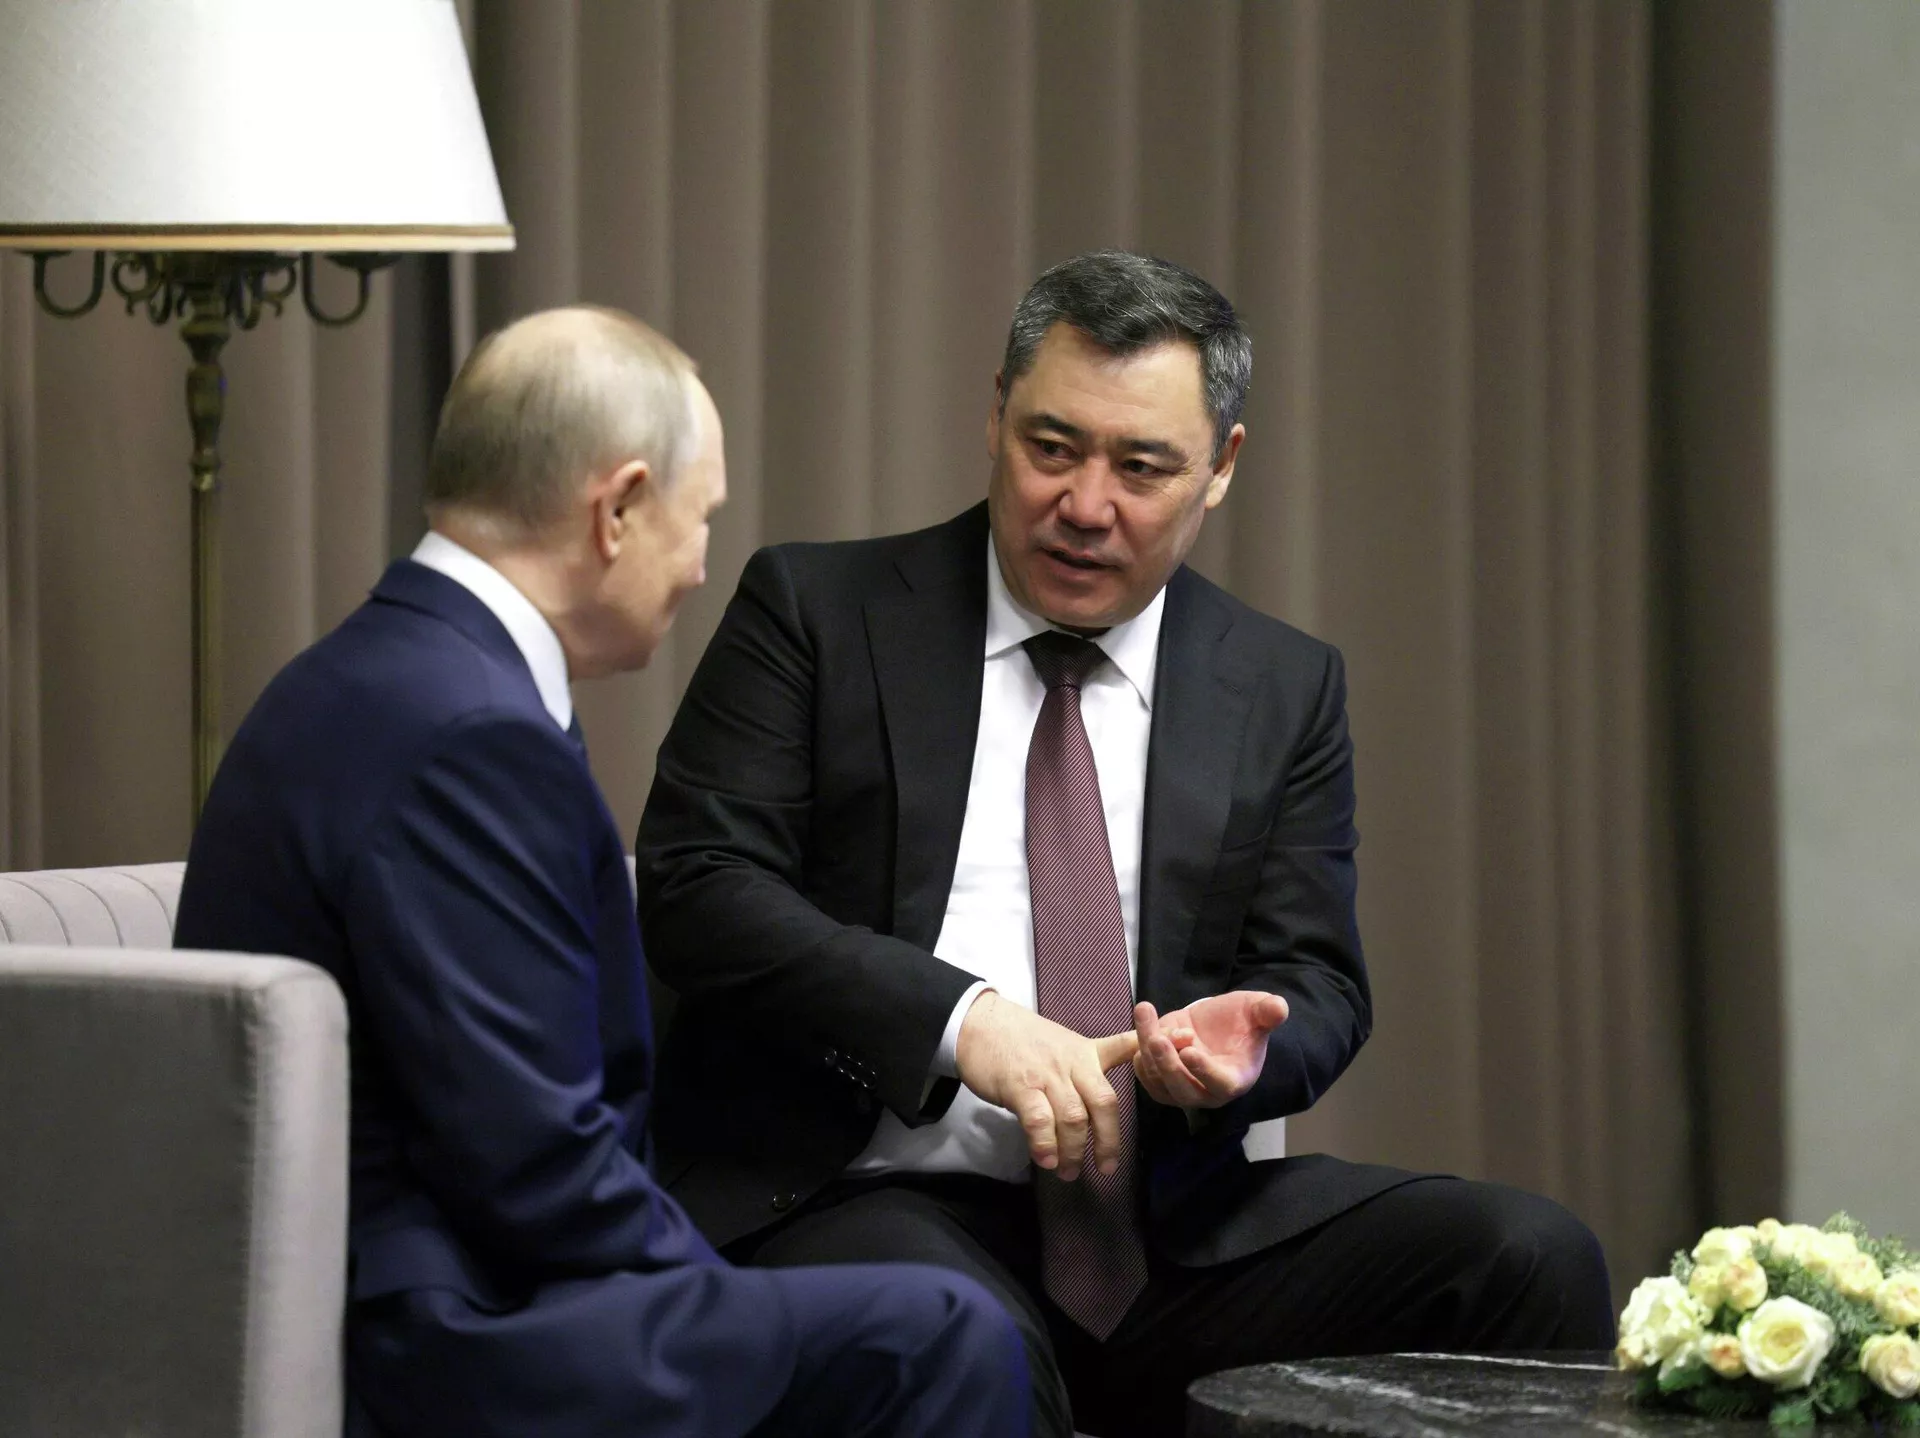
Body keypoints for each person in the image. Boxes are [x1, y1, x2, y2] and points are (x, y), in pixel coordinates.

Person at [634, 252, 1615, 1438]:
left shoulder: (1281, 683)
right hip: (864, 1195)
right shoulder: (819, 612)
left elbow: (1317, 980)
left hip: (1162, 1231)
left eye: (1142, 467)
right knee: (961, 1334)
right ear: (996, 415)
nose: (1087, 505)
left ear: (1222, 467)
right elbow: (697, 885)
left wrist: (1234, 1057)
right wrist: (963, 1020)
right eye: (1052, 448)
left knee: (1528, 1255)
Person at [174, 306, 1030, 1438]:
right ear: (618, 508)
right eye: (698, 517)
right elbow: (532, 1161)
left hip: (436, 1271)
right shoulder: (468, 732)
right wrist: (715, 1290)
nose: (701, 565)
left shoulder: (389, 671)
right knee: (943, 1332)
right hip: (444, 1322)